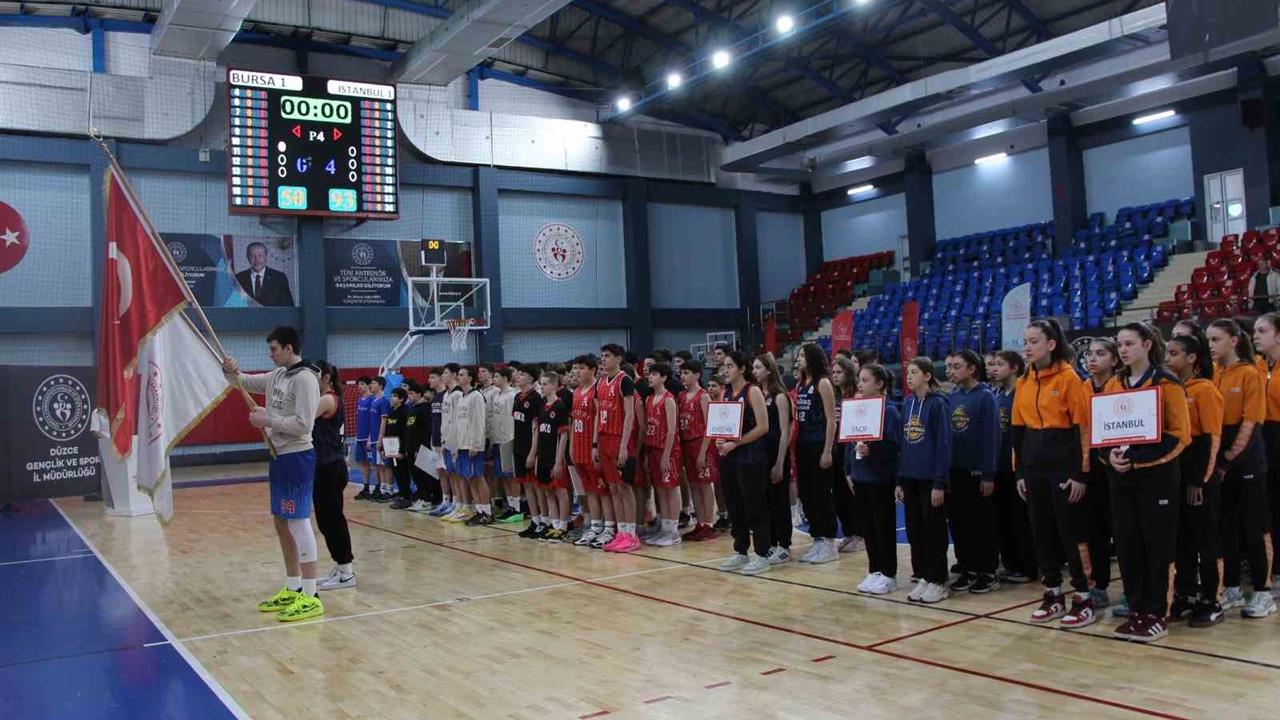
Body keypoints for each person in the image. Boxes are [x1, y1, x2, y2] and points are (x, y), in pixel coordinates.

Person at [221, 326, 323, 622]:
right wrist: (229, 370)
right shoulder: (277, 375)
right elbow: (241, 382)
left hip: (297, 456)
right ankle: (293, 587)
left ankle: (311, 594)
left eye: (274, 349)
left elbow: (304, 424)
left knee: (298, 522)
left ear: (289, 348)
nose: (270, 354)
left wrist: (268, 420)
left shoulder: (305, 379)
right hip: (279, 456)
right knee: (281, 522)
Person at [1104, 323, 1190, 642]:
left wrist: (1139, 459)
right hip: (1122, 481)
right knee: (1128, 546)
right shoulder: (1114, 384)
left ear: (1147, 345)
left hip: (1157, 479)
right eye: (1119, 345)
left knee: (1157, 546)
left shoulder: (1167, 382)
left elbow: (1180, 435)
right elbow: (1103, 431)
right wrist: (1109, 457)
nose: (1123, 350)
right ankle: (1137, 609)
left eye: (1129, 343)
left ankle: (1157, 613)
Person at [1015, 318, 1096, 629]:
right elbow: (1018, 431)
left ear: (1051, 344)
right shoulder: (1024, 381)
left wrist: (1080, 473)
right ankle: (1052, 592)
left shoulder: (1069, 379)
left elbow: (1082, 430)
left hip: (1064, 470)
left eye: (1033, 341)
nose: (1027, 347)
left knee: (1071, 534)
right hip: (1034, 470)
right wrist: (1020, 471)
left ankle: (1084, 597)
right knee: (1042, 532)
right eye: (1025, 342)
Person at [1207, 319, 1276, 618]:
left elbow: (1250, 423)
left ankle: (1263, 592)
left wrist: (1226, 460)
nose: (1210, 345)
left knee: (1254, 527)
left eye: (1216, 339)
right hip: (1220, 463)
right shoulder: (1213, 373)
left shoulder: (1249, 373)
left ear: (1234, 341)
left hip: (1247, 463)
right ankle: (1232, 587)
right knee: (1226, 527)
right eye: (1208, 340)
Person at [1165, 332, 1225, 627]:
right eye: (1167, 353)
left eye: (1174, 353)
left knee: (1206, 539)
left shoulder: (1205, 390)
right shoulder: (1169, 388)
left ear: (1191, 358)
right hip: (1174, 475)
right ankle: (1185, 593)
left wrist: (1200, 481)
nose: (1168, 358)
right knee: (1182, 540)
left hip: (1199, 478)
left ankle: (1212, 599)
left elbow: (1212, 439)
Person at [944, 349, 1000, 594]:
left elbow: (991, 438)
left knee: (981, 524)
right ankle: (967, 567)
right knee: (959, 523)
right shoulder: (953, 396)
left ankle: (987, 571)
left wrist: (988, 474)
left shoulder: (985, 397)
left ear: (972, 369)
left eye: (957, 367)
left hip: (977, 471)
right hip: (956, 470)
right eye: (950, 367)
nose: (951, 371)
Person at [898, 357, 952, 604]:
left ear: (928, 376)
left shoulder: (938, 404)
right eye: (907, 372)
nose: (909, 377)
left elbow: (943, 445)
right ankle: (923, 575)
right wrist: (900, 479)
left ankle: (939, 580)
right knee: (915, 531)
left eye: (914, 372)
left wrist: (939, 483)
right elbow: (903, 445)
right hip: (910, 478)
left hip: (930, 480)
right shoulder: (908, 403)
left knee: (934, 532)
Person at [716, 351, 773, 576]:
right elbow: (722, 423)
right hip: (729, 457)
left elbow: (763, 426)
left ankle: (762, 554)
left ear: (741, 368)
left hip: (750, 456)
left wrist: (736, 442)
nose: (725, 370)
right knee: (734, 505)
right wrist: (720, 438)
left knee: (754, 506)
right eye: (724, 366)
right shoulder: (725, 392)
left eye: (730, 366)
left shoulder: (753, 391)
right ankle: (741, 550)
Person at [849, 363, 901, 595]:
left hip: (880, 478)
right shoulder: (857, 408)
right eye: (859, 380)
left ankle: (889, 574)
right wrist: (849, 470)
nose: (860, 384)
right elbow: (849, 442)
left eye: (865, 380)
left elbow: (894, 447)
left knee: (883, 527)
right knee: (868, 527)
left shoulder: (889, 411)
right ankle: (874, 569)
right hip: (861, 476)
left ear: (879, 384)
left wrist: (874, 451)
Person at [989, 350, 1035, 584]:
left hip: (1018, 466)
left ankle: (1028, 566)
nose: (995, 368)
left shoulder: (1023, 392)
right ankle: (1010, 564)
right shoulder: (997, 394)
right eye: (994, 364)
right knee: (1003, 519)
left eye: (1000, 364)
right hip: (999, 465)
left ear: (1015, 367)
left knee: (1021, 520)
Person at [1082, 338, 1121, 609]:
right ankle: (1098, 585)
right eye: (1089, 354)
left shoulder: (1123, 386)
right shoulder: (1081, 388)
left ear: (1114, 360)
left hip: (1119, 467)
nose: (1092, 359)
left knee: (1123, 532)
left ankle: (1132, 589)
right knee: (1094, 531)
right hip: (1091, 468)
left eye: (1100, 353)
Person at [793, 343, 841, 564]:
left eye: (803, 356)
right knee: (807, 495)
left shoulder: (823, 383)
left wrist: (827, 450)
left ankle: (829, 542)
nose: (799, 359)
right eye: (798, 356)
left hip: (820, 444)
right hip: (803, 445)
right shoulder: (801, 384)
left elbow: (831, 419)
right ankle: (817, 539)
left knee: (822, 495)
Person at [312, 360, 355, 591]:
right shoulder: (323, 398)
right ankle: (340, 566)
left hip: (330, 466)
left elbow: (302, 417)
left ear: (326, 378)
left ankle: (347, 572)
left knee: (333, 520)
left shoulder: (327, 399)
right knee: (325, 520)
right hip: (322, 466)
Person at [596, 344, 641, 553]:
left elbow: (630, 415)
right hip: (604, 438)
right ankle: (621, 532)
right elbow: (598, 414)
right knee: (613, 487)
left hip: (620, 439)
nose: (603, 359)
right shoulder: (601, 382)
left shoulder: (625, 381)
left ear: (619, 358)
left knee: (624, 487)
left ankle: (632, 535)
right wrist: (595, 443)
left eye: (607, 356)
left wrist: (624, 445)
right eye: (602, 356)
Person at [570, 355, 614, 548]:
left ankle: (609, 528)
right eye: (576, 368)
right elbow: (574, 422)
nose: (577, 372)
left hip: (593, 449)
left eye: (581, 368)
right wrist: (572, 447)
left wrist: (595, 446)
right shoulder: (576, 392)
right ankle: (595, 527)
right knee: (589, 491)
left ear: (593, 370)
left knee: (602, 491)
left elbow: (600, 422)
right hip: (579, 448)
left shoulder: (598, 390)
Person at [753, 353, 793, 564]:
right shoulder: (757, 394)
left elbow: (785, 431)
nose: (754, 371)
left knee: (779, 501)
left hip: (777, 454)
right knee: (765, 501)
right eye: (753, 367)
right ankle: (772, 542)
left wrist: (780, 463)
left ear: (769, 370)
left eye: (758, 367)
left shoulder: (780, 397)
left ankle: (785, 544)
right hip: (760, 455)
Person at [1252, 313, 1280, 600]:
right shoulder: (1257, 366)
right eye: (1255, 331)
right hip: (1263, 441)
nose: (1256, 336)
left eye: (1263, 330)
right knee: (1269, 509)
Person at [642, 362, 683, 546]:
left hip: (668, 450)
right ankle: (665, 528)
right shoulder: (649, 399)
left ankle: (674, 531)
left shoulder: (668, 399)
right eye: (649, 374)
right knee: (659, 489)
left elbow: (672, 430)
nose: (650, 377)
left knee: (670, 488)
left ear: (664, 377)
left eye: (654, 374)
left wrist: (666, 454)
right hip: (652, 450)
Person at [678, 360, 719, 541]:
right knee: (693, 484)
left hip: (702, 443)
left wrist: (703, 451)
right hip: (686, 444)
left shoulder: (703, 396)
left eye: (686, 372)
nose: (683, 376)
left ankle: (709, 524)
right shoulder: (681, 396)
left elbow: (710, 425)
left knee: (705, 484)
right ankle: (700, 523)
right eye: (681, 373)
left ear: (697, 375)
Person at [531, 370, 572, 542]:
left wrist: (559, 461)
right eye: (541, 384)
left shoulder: (560, 406)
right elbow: (538, 433)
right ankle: (554, 526)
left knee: (560, 491)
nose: (542, 387)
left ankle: (563, 526)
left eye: (545, 384)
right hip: (543, 456)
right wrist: (534, 455)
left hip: (555, 457)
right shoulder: (542, 406)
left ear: (554, 385)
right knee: (548, 491)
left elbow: (563, 436)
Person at [830, 356, 865, 555]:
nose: (835, 376)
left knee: (852, 493)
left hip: (850, 449)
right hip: (835, 448)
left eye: (839, 372)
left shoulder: (856, 396)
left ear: (848, 373)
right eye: (833, 372)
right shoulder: (833, 396)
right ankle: (849, 532)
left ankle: (860, 534)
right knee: (838, 495)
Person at [453, 367, 491, 525]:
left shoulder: (476, 396)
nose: (458, 377)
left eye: (462, 375)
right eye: (458, 375)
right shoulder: (462, 397)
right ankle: (479, 511)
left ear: (470, 378)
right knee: (471, 479)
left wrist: (475, 444)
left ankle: (487, 513)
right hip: (462, 445)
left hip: (473, 445)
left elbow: (479, 422)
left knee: (478, 477)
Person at [489, 367, 522, 523]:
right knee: (503, 476)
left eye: (496, 376)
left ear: (505, 378)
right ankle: (510, 506)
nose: (493, 379)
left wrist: (512, 440)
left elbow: (513, 420)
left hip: (508, 440)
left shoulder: (512, 395)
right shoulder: (496, 395)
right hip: (497, 440)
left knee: (511, 476)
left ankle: (517, 508)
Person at [235, 241, 295, 306]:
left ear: (266, 257)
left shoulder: (279, 278)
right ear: (247, 258)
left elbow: (288, 306)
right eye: (253, 256)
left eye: (260, 256)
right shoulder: (238, 279)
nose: (257, 260)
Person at [383, 387, 412, 508]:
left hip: (400, 449)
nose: (391, 398)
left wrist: (402, 450)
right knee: (397, 472)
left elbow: (406, 432)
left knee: (403, 473)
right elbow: (387, 430)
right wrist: (384, 448)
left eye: (394, 396)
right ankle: (401, 495)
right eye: (391, 395)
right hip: (391, 448)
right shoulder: (391, 412)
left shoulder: (405, 411)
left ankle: (406, 497)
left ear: (401, 399)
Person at [367, 376, 393, 502]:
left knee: (385, 465)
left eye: (373, 383)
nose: (371, 385)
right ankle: (382, 489)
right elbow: (372, 422)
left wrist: (380, 438)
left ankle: (388, 490)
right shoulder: (374, 401)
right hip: (373, 438)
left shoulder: (383, 401)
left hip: (380, 438)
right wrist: (369, 438)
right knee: (378, 465)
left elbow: (384, 421)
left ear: (381, 386)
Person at [353, 376, 375, 501]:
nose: (359, 386)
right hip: (359, 437)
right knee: (362, 462)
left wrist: (370, 437)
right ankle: (366, 487)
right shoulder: (360, 400)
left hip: (369, 438)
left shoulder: (372, 400)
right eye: (358, 384)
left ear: (368, 385)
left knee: (375, 464)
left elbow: (373, 420)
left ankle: (379, 488)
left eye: (362, 384)